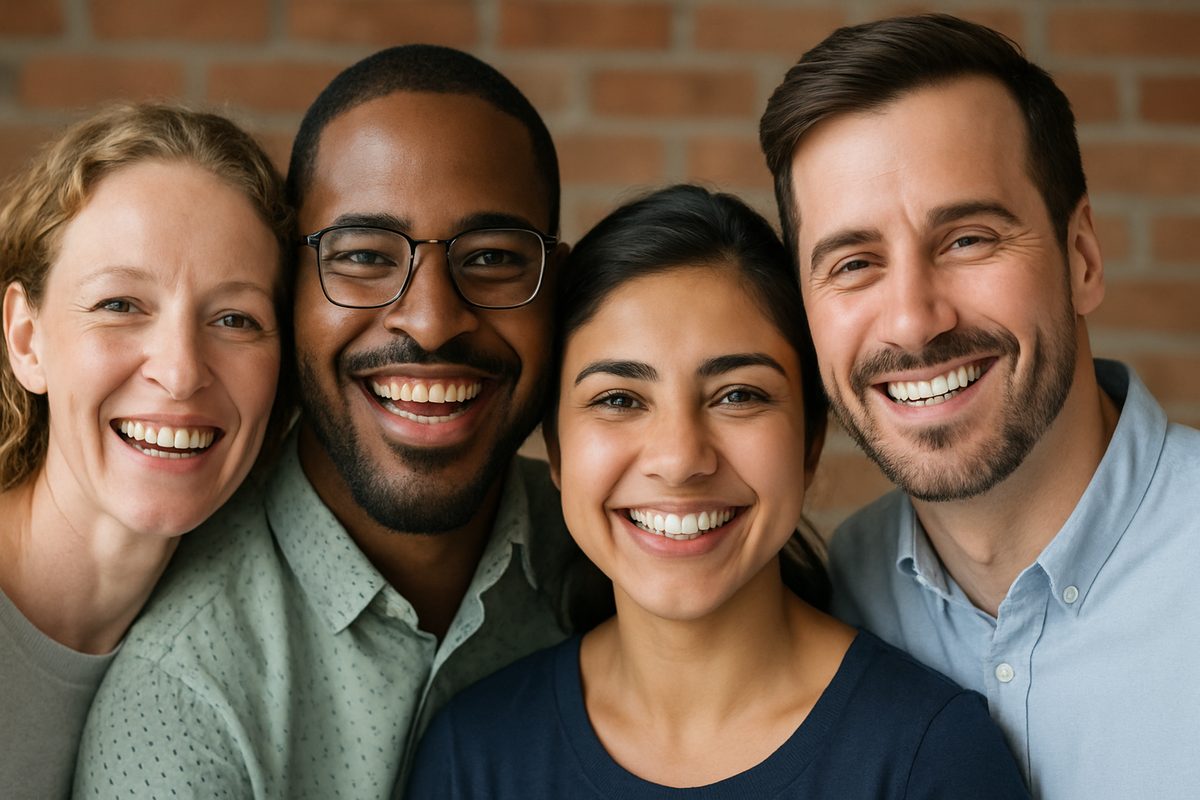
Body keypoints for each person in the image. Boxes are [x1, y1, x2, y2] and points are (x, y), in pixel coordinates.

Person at [405, 184, 1029, 799]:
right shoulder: (474, 756)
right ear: (558, 452)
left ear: (810, 441)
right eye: (619, 400)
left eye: (738, 396)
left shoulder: (931, 754)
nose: (679, 460)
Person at [74, 45, 577, 798]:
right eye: (365, 255)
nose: (433, 321)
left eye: (494, 257)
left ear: (558, 293)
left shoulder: (623, 561)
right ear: (286, 292)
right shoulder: (185, 688)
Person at [759, 13, 1200, 799]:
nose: (913, 320)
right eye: (855, 263)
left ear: (1083, 258)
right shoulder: (830, 600)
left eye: (967, 239)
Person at [0, 103, 292, 800]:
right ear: (26, 340)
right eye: (121, 305)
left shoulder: (245, 632)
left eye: (234, 318)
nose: (182, 369)